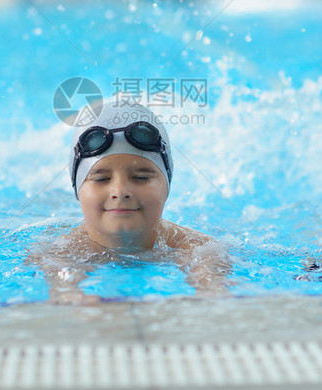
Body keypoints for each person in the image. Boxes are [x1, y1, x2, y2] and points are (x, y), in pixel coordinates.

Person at [32, 100, 230, 304]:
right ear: (78, 190)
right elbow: (62, 288)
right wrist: (69, 295)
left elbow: (213, 287)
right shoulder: (60, 252)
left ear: (167, 187)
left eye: (141, 178)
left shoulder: (195, 247)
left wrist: (210, 288)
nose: (120, 191)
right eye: (101, 179)